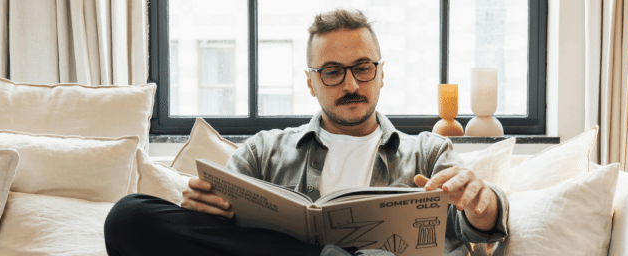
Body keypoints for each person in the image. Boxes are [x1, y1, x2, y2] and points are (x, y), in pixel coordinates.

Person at [103, 8, 508, 256]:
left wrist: (481, 199)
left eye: (363, 67)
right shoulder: (264, 151)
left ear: (381, 74)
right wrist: (199, 209)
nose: (350, 84)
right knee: (129, 217)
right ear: (311, 82)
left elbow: (477, 226)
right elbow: (219, 239)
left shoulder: (429, 151)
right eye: (332, 72)